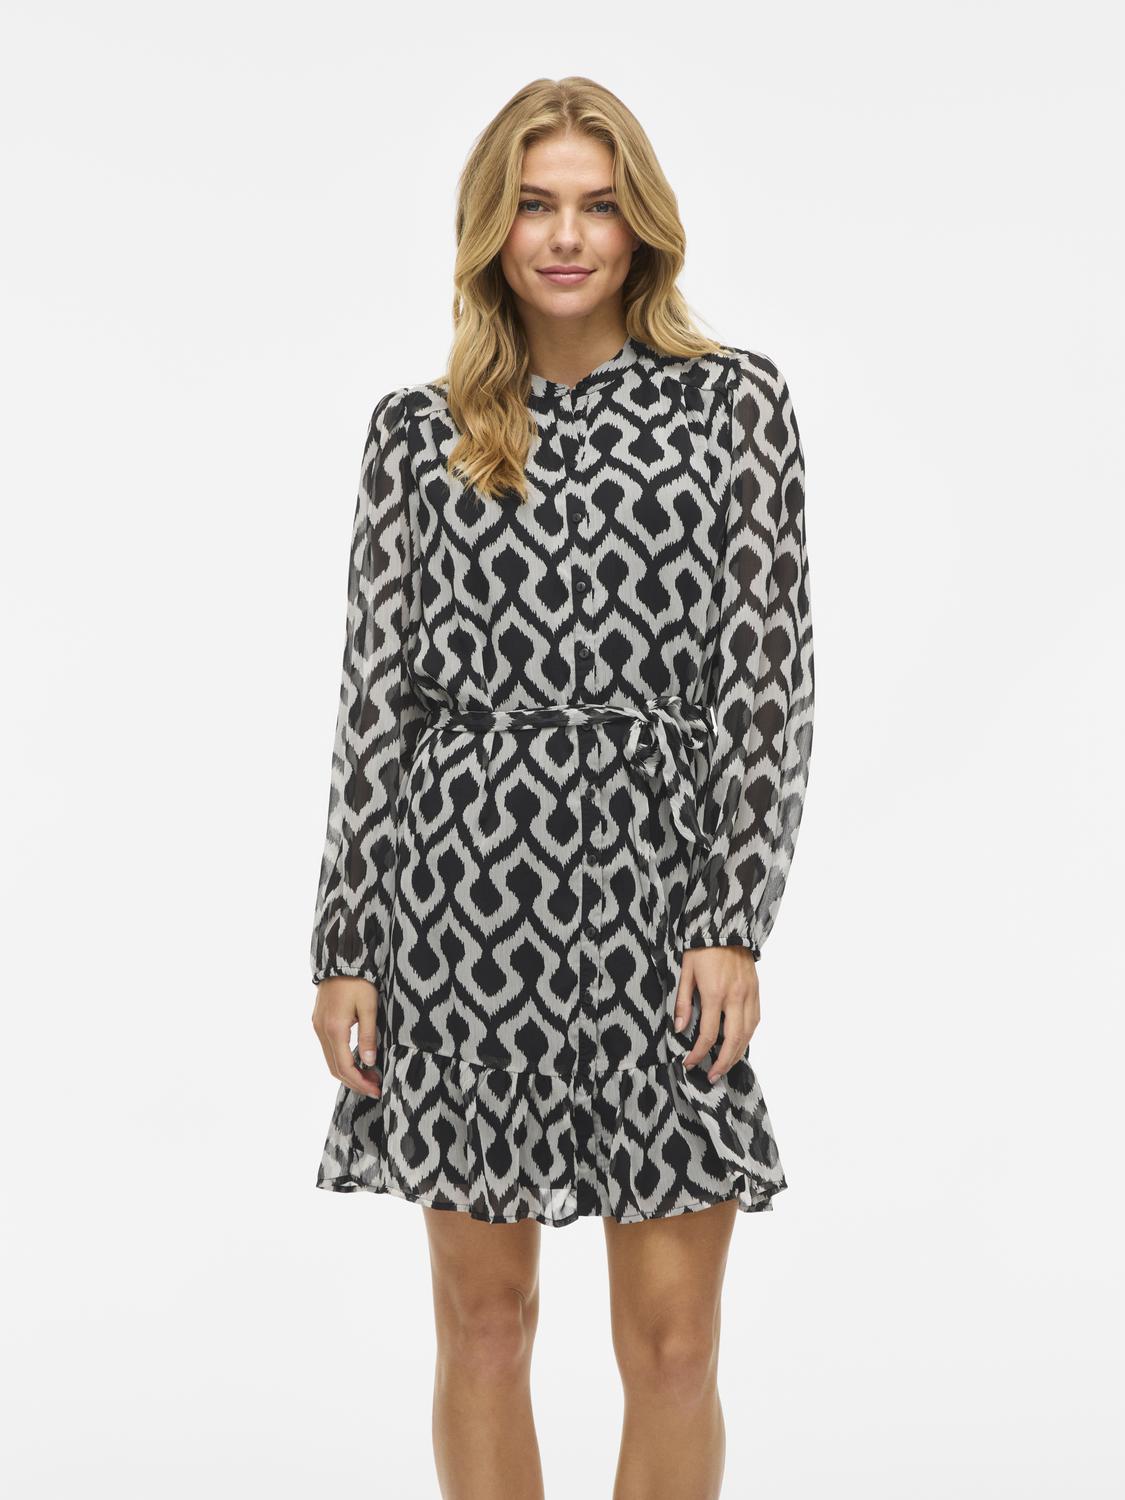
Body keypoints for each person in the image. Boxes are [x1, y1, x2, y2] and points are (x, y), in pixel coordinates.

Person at [308, 75, 814, 1500]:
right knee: (485, 1329)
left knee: (673, 1348)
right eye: (535, 205)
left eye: (596, 205)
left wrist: (730, 918)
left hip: (662, 906)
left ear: (640, 224)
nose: (567, 235)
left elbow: (766, 682)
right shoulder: (418, 432)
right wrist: (347, 945)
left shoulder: (733, 407)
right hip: (462, 909)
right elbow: (375, 702)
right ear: (493, 227)